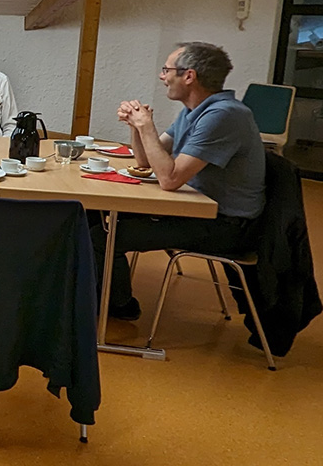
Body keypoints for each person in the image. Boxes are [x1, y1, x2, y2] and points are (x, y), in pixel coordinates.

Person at [93, 42, 266, 321]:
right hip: (196, 208)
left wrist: (147, 126)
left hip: (226, 225)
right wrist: (137, 128)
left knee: (101, 237)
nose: (162, 77)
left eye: (166, 70)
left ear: (189, 76)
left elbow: (170, 179)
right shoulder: (194, 110)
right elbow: (148, 162)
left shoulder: (224, 114)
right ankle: (95, 295)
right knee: (92, 216)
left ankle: (119, 307)